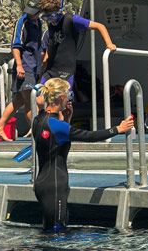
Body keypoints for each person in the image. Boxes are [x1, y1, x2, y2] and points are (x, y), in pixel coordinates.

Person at [32, 77, 133, 231]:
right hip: (56, 186)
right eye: (68, 95)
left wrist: (66, 119)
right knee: (57, 234)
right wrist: (117, 129)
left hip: (41, 184)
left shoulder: (37, 120)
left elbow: (54, 141)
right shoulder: (58, 126)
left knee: (48, 231)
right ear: (61, 97)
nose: (69, 99)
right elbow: (88, 136)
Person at [0, 0, 42, 141]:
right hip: (25, 67)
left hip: (34, 67)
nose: (31, 14)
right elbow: (16, 45)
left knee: (18, 101)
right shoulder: (23, 22)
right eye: (30, 11)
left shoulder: (39, 23)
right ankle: (38, 131)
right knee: (30, 102)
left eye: (34, 12)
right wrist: (19, 65)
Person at [38, 0, 116, 88]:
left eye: (52, 17)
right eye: (46, 18)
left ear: (59, 10)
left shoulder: (72, 20)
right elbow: (50, 45)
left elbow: (100, 26)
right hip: (51, 69)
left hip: (66, 70)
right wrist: (43, 65)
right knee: (38, 98)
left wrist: (109, 44)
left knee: (61, 101)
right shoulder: (51, 25)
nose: (50, 21)